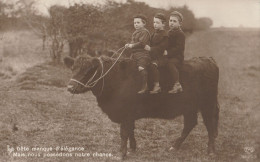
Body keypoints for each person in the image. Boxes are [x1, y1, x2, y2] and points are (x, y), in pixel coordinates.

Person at [125, 14, 151, 94]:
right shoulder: (135, 33)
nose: (136, 24)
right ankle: (132, 85)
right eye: (135, 23)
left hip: (143, 54)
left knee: (141, 68)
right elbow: (133, 43)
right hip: (134, 54)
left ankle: (145, 86)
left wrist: (132, 45)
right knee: (129, 67)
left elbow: (142, 43)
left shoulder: (145, 32)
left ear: (143, 23)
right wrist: (128, 45)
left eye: (138, 22)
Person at [144, 13, 168, 94]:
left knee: (153, 65)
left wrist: (150, 48)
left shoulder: (165, 35)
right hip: (154, 56)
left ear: (163, 24)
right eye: (154, 22)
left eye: (157, 23)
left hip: (161, 58)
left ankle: (157, 86)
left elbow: (161, 48)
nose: (155, 24)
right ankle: (145, 84)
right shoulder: (154, 33)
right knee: (143, 63)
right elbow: (149, 43)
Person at [165, 11, 185, 93]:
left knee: (170, 63)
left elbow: (179, 48)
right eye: (170, 20)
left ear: (179, 24)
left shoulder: (180, 34)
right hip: (169, 55)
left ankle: (177, 84)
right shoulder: (169, 32)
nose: (171, 23)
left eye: (174, 21)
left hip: (177, 57)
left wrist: (168, 53)